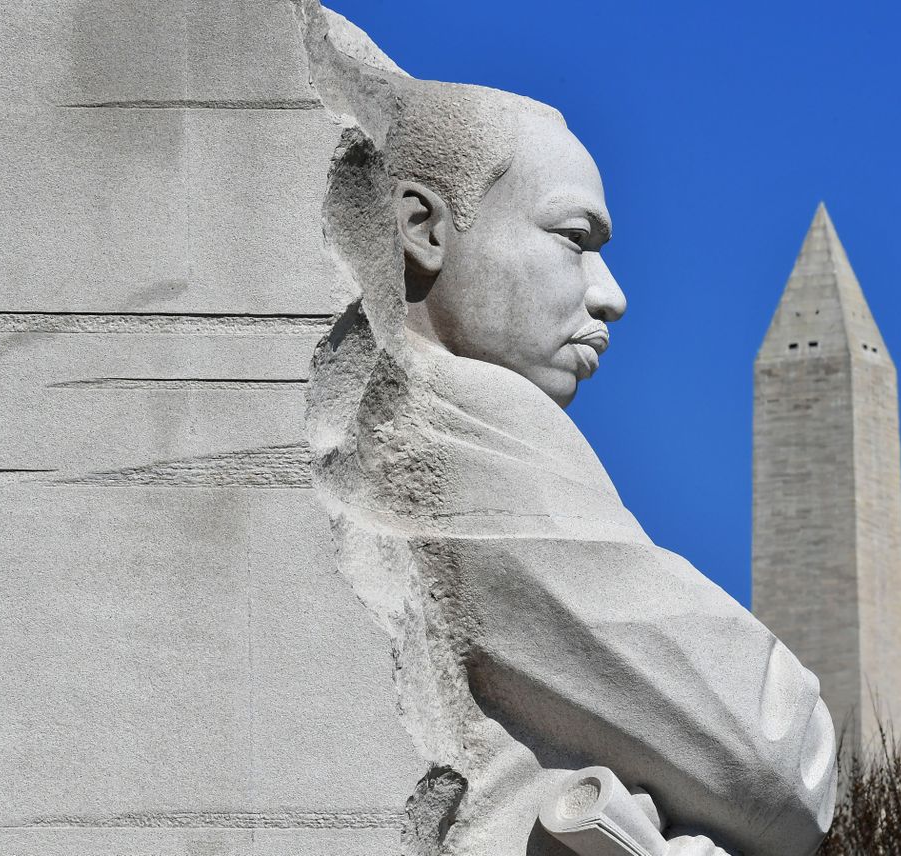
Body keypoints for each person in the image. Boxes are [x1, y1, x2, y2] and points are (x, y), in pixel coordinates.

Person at [301, 7, 837, 855]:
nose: (609, 292)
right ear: (425, 228)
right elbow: (776, 760)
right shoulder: (464, 426)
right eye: (573, 239)